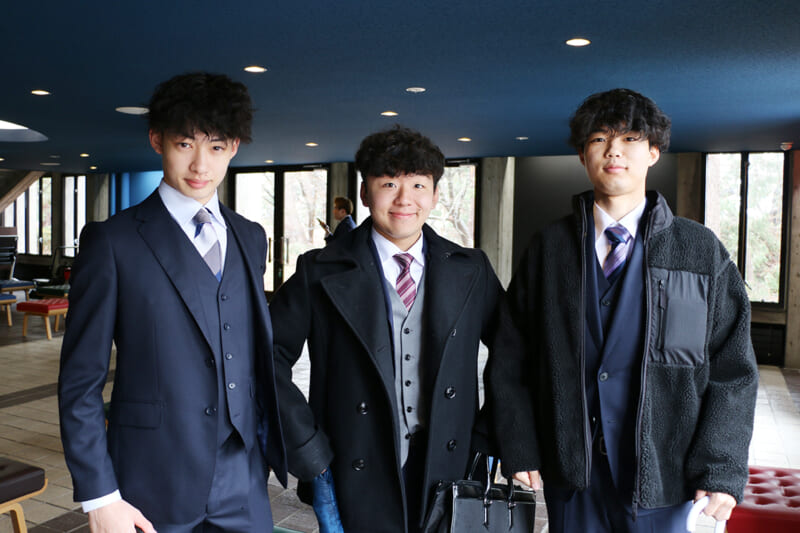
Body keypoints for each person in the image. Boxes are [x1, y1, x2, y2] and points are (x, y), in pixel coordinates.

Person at [486, 88, 758, 532]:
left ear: (653, 152)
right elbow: (510, 357)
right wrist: (518, 445)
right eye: (599, 139)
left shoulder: (700, 250)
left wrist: (721, 468)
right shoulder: (549, 249)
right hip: (573, 473)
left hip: (666, 475)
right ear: (582, 155)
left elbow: (733, 372)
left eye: (630, 138)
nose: (614, 150)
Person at [58, 72, 287, 533]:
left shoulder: (250, 236)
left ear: (234, 147)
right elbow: (80, 382)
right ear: (156, 140)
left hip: (244, 481)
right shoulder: (112, 242)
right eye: (185, 144)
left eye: (216, 147)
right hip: (151, 480)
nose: (201, 164)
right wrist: (101, 497)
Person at [270, 125, 503, 533]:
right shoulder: (318, 270)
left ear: (435, 194)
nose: (404, 199)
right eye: (389, 183)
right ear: (365, 193)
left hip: (448, 464)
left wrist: (487, 436)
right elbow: (266, 355)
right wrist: (308, 447)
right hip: (351, 463)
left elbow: (514, 352)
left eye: (418, 185)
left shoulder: (471, 269)